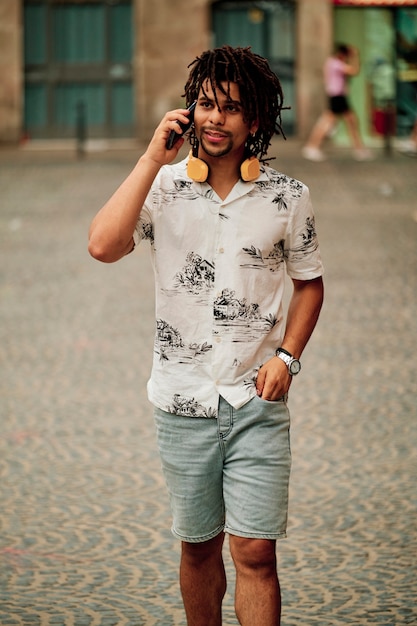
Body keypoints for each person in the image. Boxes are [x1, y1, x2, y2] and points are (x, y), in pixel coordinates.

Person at [88, 45, 324, 626]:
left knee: (255, 551)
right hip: (182, 399)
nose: (215, 118)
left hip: (256, 399)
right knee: (197, 547)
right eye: (205, 104)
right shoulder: (164, 188)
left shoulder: (287, 198)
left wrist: (288, 358)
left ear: (257, 121)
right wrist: (149, 160)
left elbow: (310, 286)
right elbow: (102, 246)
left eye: (231, 108)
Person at [302, 43, 372, 162]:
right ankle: (312, 146)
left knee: (348, 121)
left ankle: (358, 149)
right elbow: (355, 71)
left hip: (337, 96)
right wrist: (355, 56)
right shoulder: (336, 63)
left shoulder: (331, 62)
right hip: (337, 97)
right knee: (331, 122)